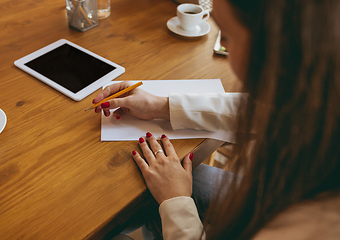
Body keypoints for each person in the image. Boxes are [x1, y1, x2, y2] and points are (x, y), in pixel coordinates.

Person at [94, 0, 340, 239]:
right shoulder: (323, 93)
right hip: (275, 199)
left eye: (227, 34)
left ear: (274, 47)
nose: (221, 43)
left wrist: (176, 202)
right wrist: (160, 106)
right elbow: (270, 111)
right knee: (177, 177)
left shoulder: (315, 225)